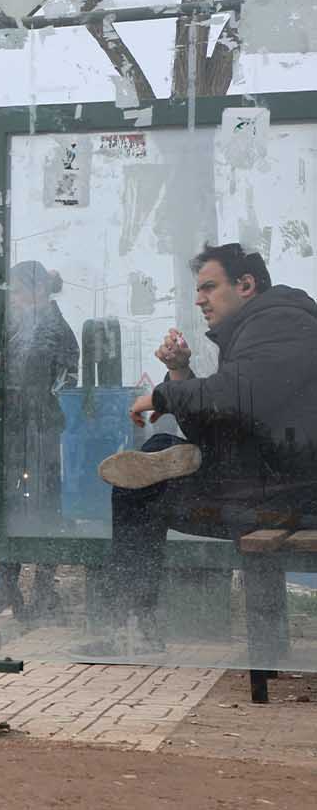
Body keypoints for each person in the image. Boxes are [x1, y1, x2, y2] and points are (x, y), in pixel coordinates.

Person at [82, 243, 317, 658]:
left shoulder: (282, 321)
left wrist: (165, 392)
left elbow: (235, 394)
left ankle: (135, 626)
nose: (198, 299)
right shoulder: (261, 327)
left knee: (140, 492)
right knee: (154, 462)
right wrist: (180, 372)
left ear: (246, 284)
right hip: (270, 479)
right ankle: (172, 459)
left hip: (292, 493)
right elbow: (227, 423)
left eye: (209, 287)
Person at [0, 261, 79, 618]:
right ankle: (6, 585)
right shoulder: (8, 327)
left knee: (46, 502)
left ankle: (45, 588)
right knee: (9, 500)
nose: (13, 297)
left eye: (18, 289)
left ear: (39, 290)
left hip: (43, 427)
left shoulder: (56, 329)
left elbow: (68, 378)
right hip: (12, 427)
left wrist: (45, 401)